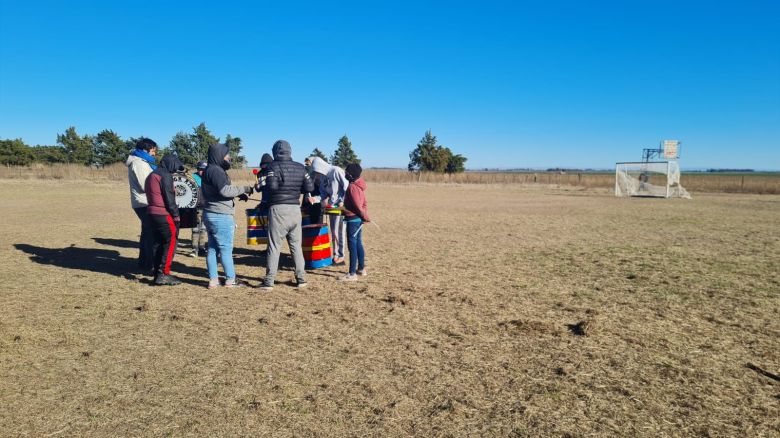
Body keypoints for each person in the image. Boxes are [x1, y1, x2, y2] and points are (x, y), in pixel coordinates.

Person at [258, 140, 315, 290]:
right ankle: (301, 279)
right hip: (295, 210)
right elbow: (309, 187)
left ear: (275, 151)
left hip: (278, 209)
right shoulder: (300, 167)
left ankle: (269, 281)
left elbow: (272, 187)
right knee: (296, 246)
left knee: (274, 246)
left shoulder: (272, 167)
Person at [201, 143, 254, 289]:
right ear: (219, 155)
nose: (229, 157)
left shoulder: (208, 170)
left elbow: (219, 192)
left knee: (212, 248)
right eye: (226, 155)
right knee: (225, 249)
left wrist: (238, 194)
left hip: (210, 214)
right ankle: (231, 280)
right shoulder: (216, 171)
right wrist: (244, 188)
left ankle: (213, 280)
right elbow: (225, 191)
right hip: (221, 216)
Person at [144, 154, 185, 286]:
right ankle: (163, 274)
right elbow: (169, 198)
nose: (175, 171)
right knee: (170, 241)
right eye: (175, 167)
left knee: (158, 242)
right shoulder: (165, 175)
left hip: (151, 212)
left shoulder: (152, 174)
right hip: (163, 213)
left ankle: (156, 271)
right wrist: (176, 215)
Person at [308, 157, 349, 264]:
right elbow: (323, 194)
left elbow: (347, 186)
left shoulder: (336, 171)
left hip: (341, 208)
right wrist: (315, 199)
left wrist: (342, 201)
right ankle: (335, 255)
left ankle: (341, 256)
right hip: (331, 209)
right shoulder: (322, 178)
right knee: (334, 232)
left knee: (340, 232)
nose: (317, 174)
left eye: (317, 171)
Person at [126, 137, 158, 271]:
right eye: (153, 150)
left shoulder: (143, 161)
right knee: (152, 234)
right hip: (144, 202)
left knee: (147, 233)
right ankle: (150, 264)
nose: (154, 153)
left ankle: (144, 262)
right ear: (146, 149)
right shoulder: (139, 163)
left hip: (145, 201)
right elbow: (146, 184)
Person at [340, 163, 370, 281]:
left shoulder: (352, 186)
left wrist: (364, 216)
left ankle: (352, 274)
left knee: (352, 245)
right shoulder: (359, 186)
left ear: (351, 174)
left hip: (353, 219)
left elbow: (358, 205)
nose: (345, 174)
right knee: (358, 243)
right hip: (357, 219)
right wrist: (364, 215)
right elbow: (364, 203)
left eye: (347, 172)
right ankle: (361, 269)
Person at [188, 160, 208, 257]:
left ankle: (202, 248)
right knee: (195, 229)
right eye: (200, 169)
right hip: (195, 208)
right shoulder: (192, 178)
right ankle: (194, 249)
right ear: (197, 169)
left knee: (203, 229)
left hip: (206, 207)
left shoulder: (209, 178)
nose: (202, 171)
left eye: (204, 170)